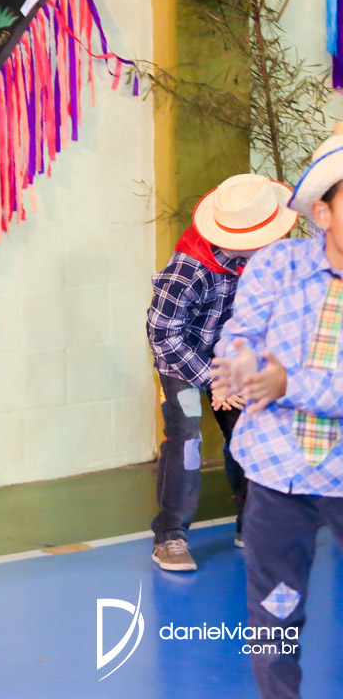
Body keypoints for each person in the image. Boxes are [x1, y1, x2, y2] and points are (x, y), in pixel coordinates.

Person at [212, 126, 343, 698]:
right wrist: (238, 360)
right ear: (323, 212)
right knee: (274, 615)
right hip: (275, 472)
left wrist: (287, 383)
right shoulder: (277, 265)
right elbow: (240, 332)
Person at [146, 174, 296, 571]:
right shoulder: (189, 270)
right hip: (182, 359)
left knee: (250, 430)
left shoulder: (263, 263)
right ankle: (170, 537)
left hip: (232, 357)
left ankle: (254, 526)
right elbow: (162, 333)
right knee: (186, 438)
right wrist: (211, 379)